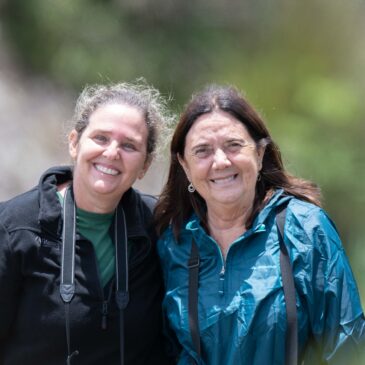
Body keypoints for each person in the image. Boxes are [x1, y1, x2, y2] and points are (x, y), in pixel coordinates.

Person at [155, 84, 365, 364]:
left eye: (233, 145)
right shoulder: (174, 244)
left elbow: (347, 348)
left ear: (260, 152)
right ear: (184, 165)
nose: (220, 162)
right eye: (202, 151)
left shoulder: (305, 229)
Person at [0, 80, 175, 365]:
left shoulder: (159, 226)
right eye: (101, 138)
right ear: (74, 142)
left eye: (129, 145)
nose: (112, 152)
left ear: (145, 165)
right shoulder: (14, 227)